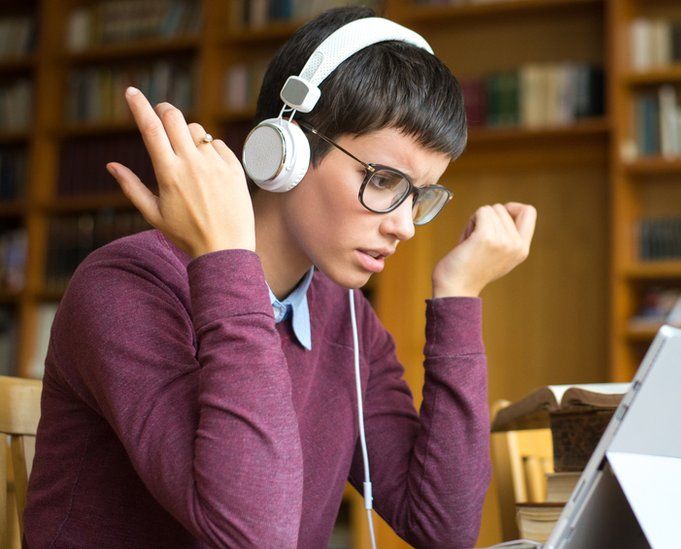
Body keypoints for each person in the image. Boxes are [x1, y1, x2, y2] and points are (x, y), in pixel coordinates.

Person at [23, 6, 536, 548]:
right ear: (282, 150)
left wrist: (459, 297)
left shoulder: (345, 316)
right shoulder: (125, 286)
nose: (405, 226)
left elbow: (445, 530)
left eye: (420, 194)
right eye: (384, 180)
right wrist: (226, 261)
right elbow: (254, 533)